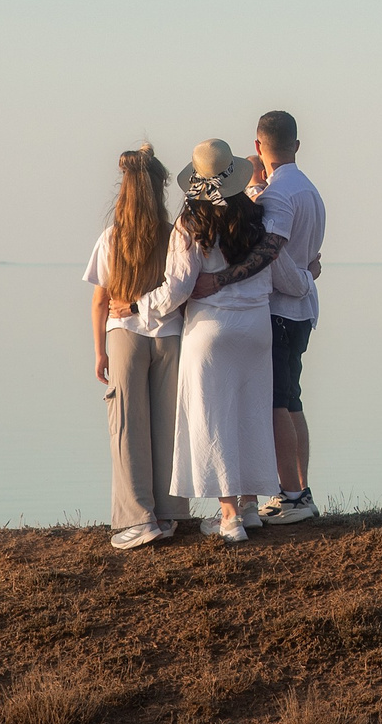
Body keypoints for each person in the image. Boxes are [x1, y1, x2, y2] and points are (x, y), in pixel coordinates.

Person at [162, 138, 285, 542]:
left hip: (211, 328)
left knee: (212, 420)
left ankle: (228, 517)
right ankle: (249, 507)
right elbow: (271, 268)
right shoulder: (257, 215)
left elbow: (179, 286)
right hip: (255, 327)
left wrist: (141, 308)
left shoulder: (191, 222)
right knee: (249, 415)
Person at [83, 144, 186, 550]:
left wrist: (99, 351)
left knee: (127, 427)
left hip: (125, 333)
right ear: (159, 189)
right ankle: (169, 513)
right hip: (169, 335)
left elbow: (100, 300)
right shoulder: (173, 234)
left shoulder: (112, 238)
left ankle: (138, 518)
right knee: (168, 425)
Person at [245, 110, 327, 524]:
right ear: (296, 145)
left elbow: (272, 255)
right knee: (292, 400)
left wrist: (302, 280)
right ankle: (299, 490)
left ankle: (291, 495)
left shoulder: (278, 195)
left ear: (258, 147)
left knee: (279, 402)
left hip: (281, 308)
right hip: (300, 314)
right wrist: (309, 277)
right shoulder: (309, 190)